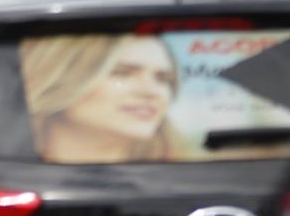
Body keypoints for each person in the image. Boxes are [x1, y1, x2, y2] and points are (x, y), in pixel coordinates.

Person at [19, 34, 185, 163]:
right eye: (122, 73)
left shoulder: (185, 177)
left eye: (163, 78)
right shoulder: (6, 175)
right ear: (61, 79)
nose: (151, 92)